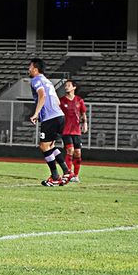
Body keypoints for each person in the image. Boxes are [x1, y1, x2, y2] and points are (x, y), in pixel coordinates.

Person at [28, 58, 71, 187]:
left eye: (30, 67)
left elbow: (42, 96)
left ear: (35, 69)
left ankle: (55, 177)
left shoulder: (36, 80)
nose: (28, 69)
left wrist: (36, 114)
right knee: (50, 146)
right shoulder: (48, 81)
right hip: (59, 116)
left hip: (50, 118)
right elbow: (57, 101)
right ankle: (67, 172)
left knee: (44, 146)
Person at [59, 79, 87, 183]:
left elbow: (83, 113)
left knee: (78, 153)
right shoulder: (61, 101)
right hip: (66, 130)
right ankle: (67, 173)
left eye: (68, 85)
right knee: (70, 150)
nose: (66, 87)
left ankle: (76, 175)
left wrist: (85, 124)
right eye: (65, 85)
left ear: (74, 87)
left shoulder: (79, 100)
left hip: (76, 131)